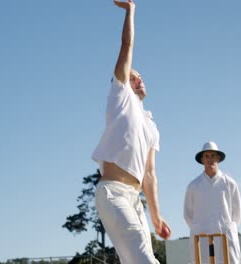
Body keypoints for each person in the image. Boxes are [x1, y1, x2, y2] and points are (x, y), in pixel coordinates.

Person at [92, 0, 171, 263]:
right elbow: (127, 47)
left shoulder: (151, 125)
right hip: (112, 193)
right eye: (133, 76)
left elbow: (149, 174)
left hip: (135, 201)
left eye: (140, 76)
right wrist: (130, 11)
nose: (139, 79)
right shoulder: (120, 96)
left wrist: (157, 216)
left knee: (144, 258)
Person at [184, 141, 241, 264]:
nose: (210, 159)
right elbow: (188, 215)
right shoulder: (193, 186)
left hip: (225, 237)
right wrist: (200, 227)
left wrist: (226, 227)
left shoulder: (230, 184)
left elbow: (237, 213)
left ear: (218, 158)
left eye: (213, 156)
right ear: (202, 159)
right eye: (206, 156)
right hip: (202, 238)